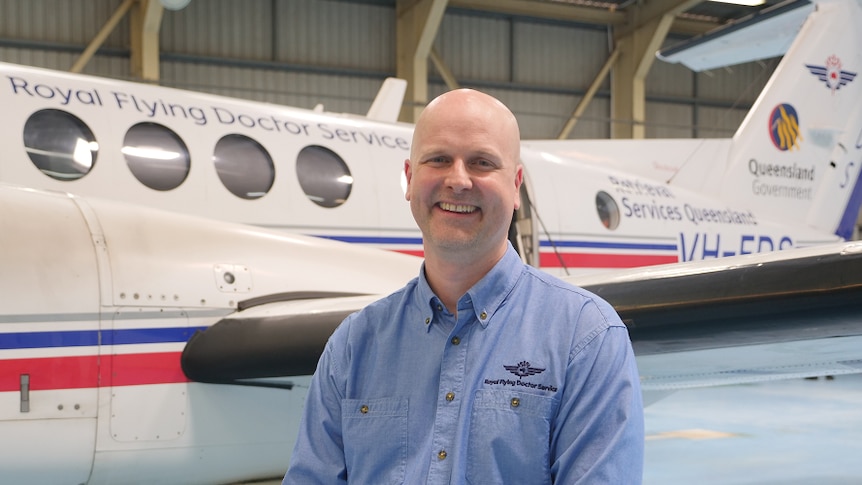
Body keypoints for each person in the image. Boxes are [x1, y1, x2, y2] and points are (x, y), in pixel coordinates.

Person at [283, 89, 644, 484]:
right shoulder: (353, 346)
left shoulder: (586, 336)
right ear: (409, 178)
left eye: (482, 162)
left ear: (516, 185)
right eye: (438, 159)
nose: (458, 180)